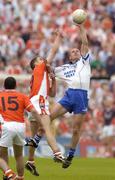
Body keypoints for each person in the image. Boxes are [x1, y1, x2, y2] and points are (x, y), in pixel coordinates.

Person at [26, 23, 91, 169]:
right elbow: (49, 68)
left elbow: (85, 42)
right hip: (69, 95)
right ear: (69, 56)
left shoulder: (85, 61)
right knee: (47, 118)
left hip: (81, 96)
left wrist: (81, 28)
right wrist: (48, 70)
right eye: (72, 51)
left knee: (76, 129)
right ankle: (36, 140)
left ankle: (70, 155)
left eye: (77, 50)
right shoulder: (63, 68)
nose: (75, 51)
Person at [25, 31, 65, 176]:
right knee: (48, 129)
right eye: (39, 59)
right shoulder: (40, 67)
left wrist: (53, 79)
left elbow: (53, 93)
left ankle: (30, 161)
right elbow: (53, 51)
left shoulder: (42, 75)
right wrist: (59, 38)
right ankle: (57, 153)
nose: (42, 60)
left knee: (35, 136)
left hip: (33, 104)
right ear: (36, 64)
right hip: (39, 102)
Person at [0, 76, 42, 180]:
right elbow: (33, 111)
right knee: (19, 155)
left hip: (6, 125)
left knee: (2, 154)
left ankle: (9, 174)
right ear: (15, 85)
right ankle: (20, 177)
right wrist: (42, 123)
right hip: (20, 126)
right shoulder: (22, 96)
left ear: (4, 85)